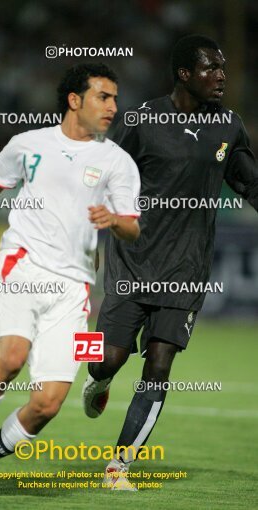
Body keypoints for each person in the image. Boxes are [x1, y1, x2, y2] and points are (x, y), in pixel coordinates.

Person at [0, 63, 141, 498]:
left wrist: (115, 221)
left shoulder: (117, 162)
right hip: (21, 266)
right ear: (74, 101)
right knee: (11, 358)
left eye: (115, 98)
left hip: (76, 289)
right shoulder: (27, 144)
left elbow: (133, 226)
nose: (113, 107)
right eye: (103, 97)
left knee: (48, 404)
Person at [82, 35, 258, 490]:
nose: (221, 76)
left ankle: (119, 466)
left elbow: (247, 181)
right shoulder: (142, 121)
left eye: (223, 68)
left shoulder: (229, 126)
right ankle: (96, 382)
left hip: (186, 270)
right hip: (131, 264)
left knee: (159, 364)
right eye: (210, 69)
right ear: (184, 74)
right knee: (105, 361)